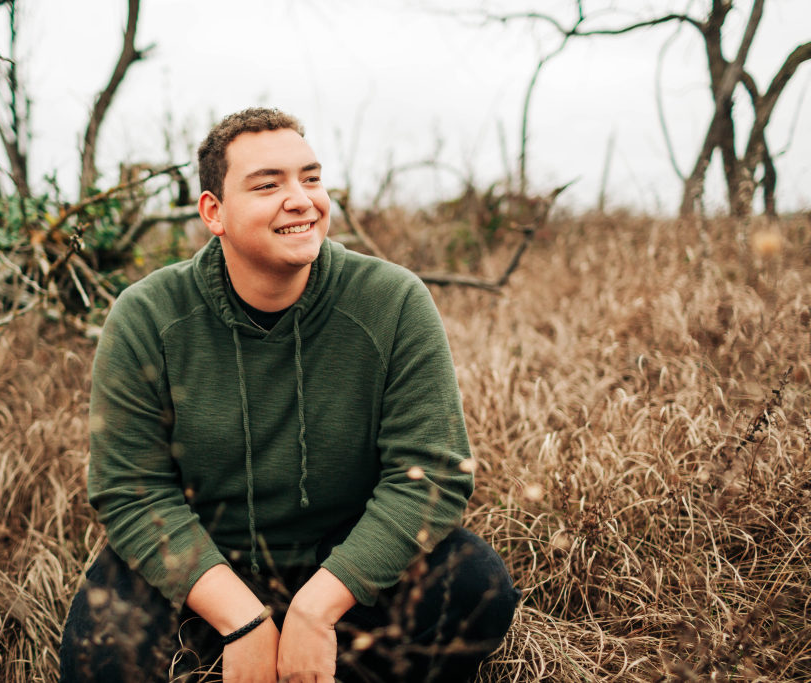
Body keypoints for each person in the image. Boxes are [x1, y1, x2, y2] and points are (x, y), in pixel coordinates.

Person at [60, 108, 520, 682]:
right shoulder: (148, 316)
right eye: (268, 184)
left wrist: (317, 608)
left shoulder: (393, 300)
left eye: (311, 177)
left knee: (476, 585)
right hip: (205, 575)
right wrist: (243, 620)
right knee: (99, 654)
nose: (301, 199)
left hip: (346, 577)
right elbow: (131, 490)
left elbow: (430, 473)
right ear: (214, 213)